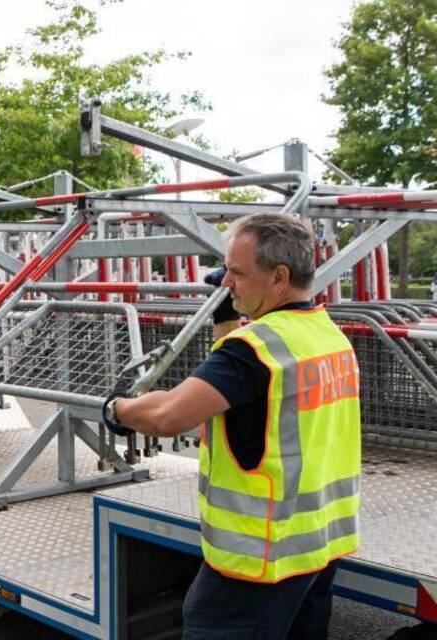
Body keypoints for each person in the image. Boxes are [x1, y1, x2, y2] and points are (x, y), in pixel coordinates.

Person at [107, 213, 361, 640]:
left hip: (256, 564)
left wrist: (117, 410)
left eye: (237, 273)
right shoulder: (328, 337)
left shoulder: (252, 352)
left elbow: (170, 414)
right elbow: (253, 391)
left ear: (279, 277)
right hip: (316, 552)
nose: (226, 280)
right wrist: (228, 309)